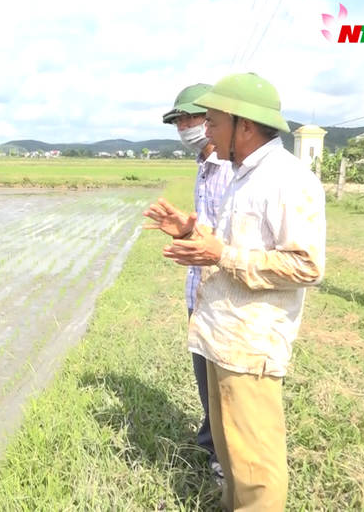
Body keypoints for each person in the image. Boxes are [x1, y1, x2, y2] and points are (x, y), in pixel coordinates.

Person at [146, 73, 325, 511]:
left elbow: (306, 266)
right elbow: (235, 243)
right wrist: (194, 231)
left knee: (255, 467)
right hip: (221, 334)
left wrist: (221, 253)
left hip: (250, 342)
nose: (205, 130)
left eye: (213, 120)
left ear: (243, 125)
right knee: (230, 455)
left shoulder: (286, 179)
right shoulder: (245, 176)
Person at [152, 83, 233, 480]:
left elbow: (231, 241)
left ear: (214, 119)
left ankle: (226, 461)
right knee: (206, 381)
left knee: (225, 385)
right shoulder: (203, 167)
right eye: (178, 120)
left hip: (226, 296)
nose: (184, 126)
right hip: (199, 293)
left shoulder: (232, 170)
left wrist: (199, 242)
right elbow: (205, 235)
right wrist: (185, 234)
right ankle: (211, 443)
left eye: (191, 118)